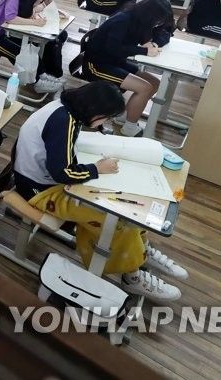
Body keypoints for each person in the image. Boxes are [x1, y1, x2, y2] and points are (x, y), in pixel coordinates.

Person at [12, 82, 188, 302]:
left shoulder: (65, 108)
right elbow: (62, 173)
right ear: (94, 111)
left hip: (43, 180)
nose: (104, 123)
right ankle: (131, 276)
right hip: (40, 190)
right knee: (116, 216)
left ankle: (141, 249)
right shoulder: (63, 121)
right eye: (105, 118)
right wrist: (97, 169)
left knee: (126, 201)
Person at [80, 0, 174, 137]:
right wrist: (144, 51)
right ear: (151, 15)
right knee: (145, 88)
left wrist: (154, 44)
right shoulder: (122, 20)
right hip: (96, 65)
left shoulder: (142, 21)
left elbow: (165, 34)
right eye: (158, 20)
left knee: (154, 83)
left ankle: (124, 117)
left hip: (115, 62)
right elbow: (113, 48)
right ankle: (130, 127)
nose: (158, 24)